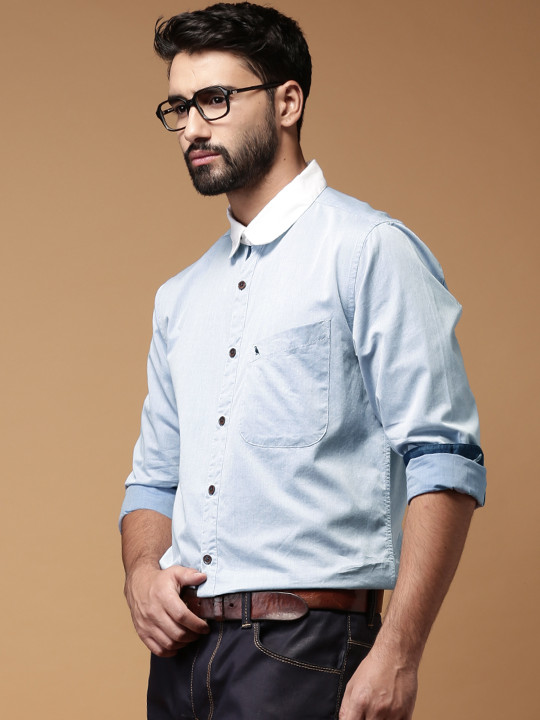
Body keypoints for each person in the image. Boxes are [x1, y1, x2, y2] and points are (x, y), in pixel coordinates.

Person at [120, 3, 486, 719]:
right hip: (180, 660)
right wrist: (140, 574)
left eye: (214, 99)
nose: (192, 127)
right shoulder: (179, 297)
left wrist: (399, 651)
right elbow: (153, 480)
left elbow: (444, 457)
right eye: (179, 107)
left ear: (287, 102)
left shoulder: (369, 250)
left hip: (307, 650)